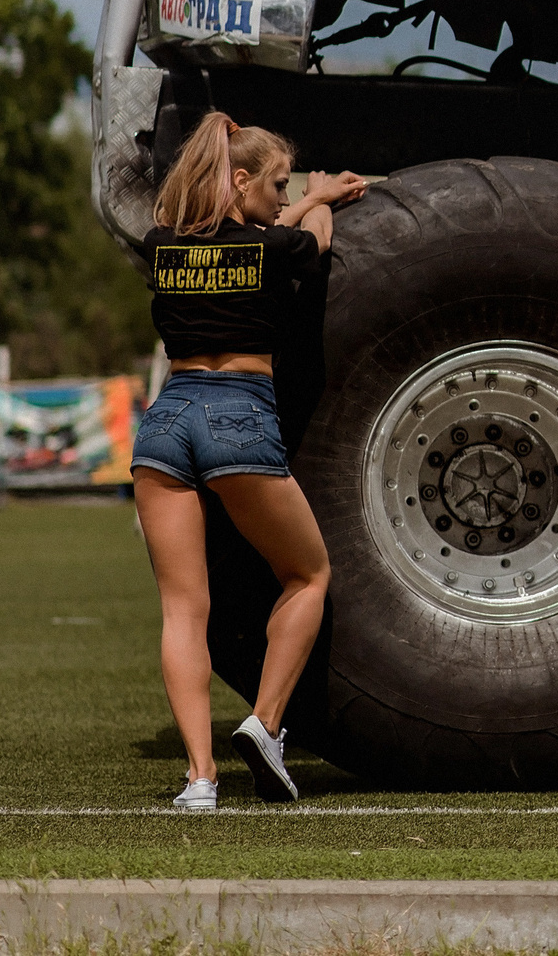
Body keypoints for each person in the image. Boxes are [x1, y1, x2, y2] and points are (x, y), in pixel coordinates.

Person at [131, 113, 366, 811]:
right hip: (238, 412)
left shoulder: (160, 243)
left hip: (167, 420)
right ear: (239, 179)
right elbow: (308, 242)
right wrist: (321, 199)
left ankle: (200, 778)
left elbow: (240, 231)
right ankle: (265, 724)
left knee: (182, 608)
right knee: (307, 574)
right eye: (275, 184)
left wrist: (290, 201)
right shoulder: (275, 246)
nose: (281, 195)